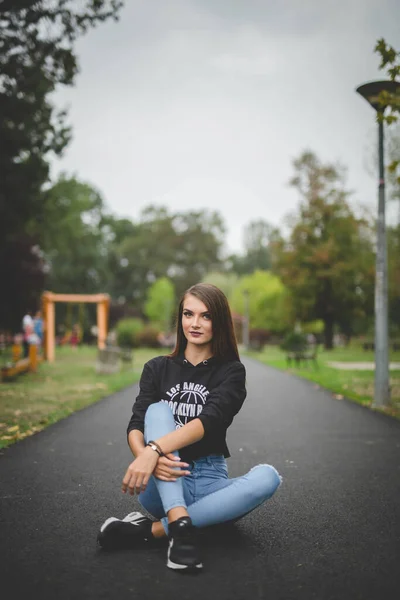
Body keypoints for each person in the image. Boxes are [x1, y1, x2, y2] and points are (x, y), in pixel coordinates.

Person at [97, 283, 282, 573]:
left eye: (205, 316)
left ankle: (160, 529)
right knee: (157, 410)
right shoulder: (157, 367)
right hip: (163, 477)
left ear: (218, 322)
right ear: (180, 318)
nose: (195, 323)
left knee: (268, 477)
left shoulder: (231, 372)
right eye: (188, 314)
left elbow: (209, 421)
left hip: (210, 482)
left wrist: (155, 448)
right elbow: (136, 423)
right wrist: (147, 457)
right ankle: (179, 525)